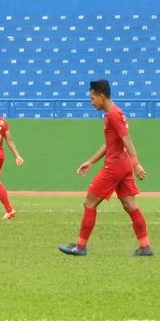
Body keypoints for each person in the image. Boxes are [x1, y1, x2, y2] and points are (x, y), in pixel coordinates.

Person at [58, 79, 153, 256]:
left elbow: (126, 139)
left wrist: (136, 163)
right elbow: (111, 143)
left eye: (92, 98)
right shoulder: (115, 113)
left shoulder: (113, 115)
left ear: (101, 96)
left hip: (115, 166)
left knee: (89, 202)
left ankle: (80, 247)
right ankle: (145, 246)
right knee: (130, 205)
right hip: (122, 165)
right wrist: (91, 161)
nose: (91, 102)